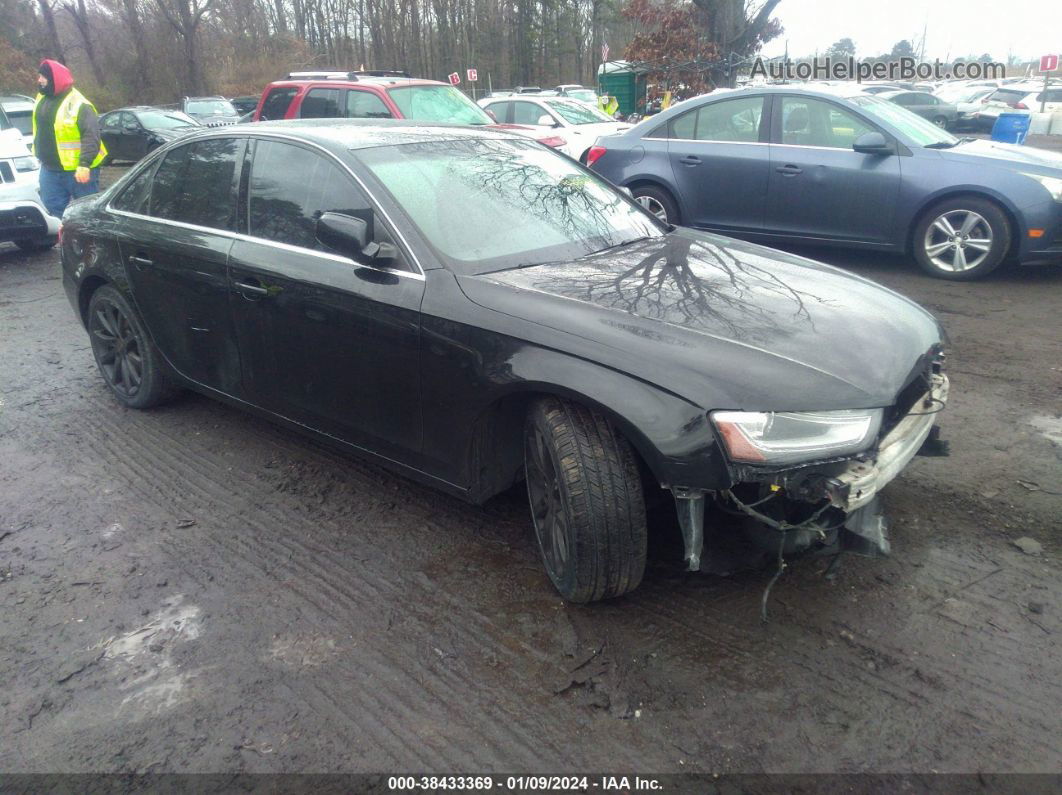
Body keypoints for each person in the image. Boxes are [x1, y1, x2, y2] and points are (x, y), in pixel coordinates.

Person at [32, 59, 107, 219]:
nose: (39, 80)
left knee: (86, 213)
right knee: (52, 206)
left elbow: (91, 135)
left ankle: (87, 242)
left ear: (54, 78)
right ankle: (67, 237)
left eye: (42, 77)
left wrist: (84, 164)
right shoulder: (41, 98)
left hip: (79, 170)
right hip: (50, 169)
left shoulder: (80, 104)